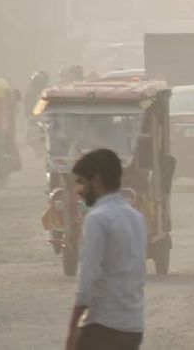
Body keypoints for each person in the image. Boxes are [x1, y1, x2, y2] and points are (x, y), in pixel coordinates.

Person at [65, 149, 146, 350]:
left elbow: (88, 281)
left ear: (97, 180)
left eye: (81, 182)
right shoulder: (136, 217)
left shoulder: (98, 219)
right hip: (133, 326)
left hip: (103, 327)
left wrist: (72, 329)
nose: (78, 190)